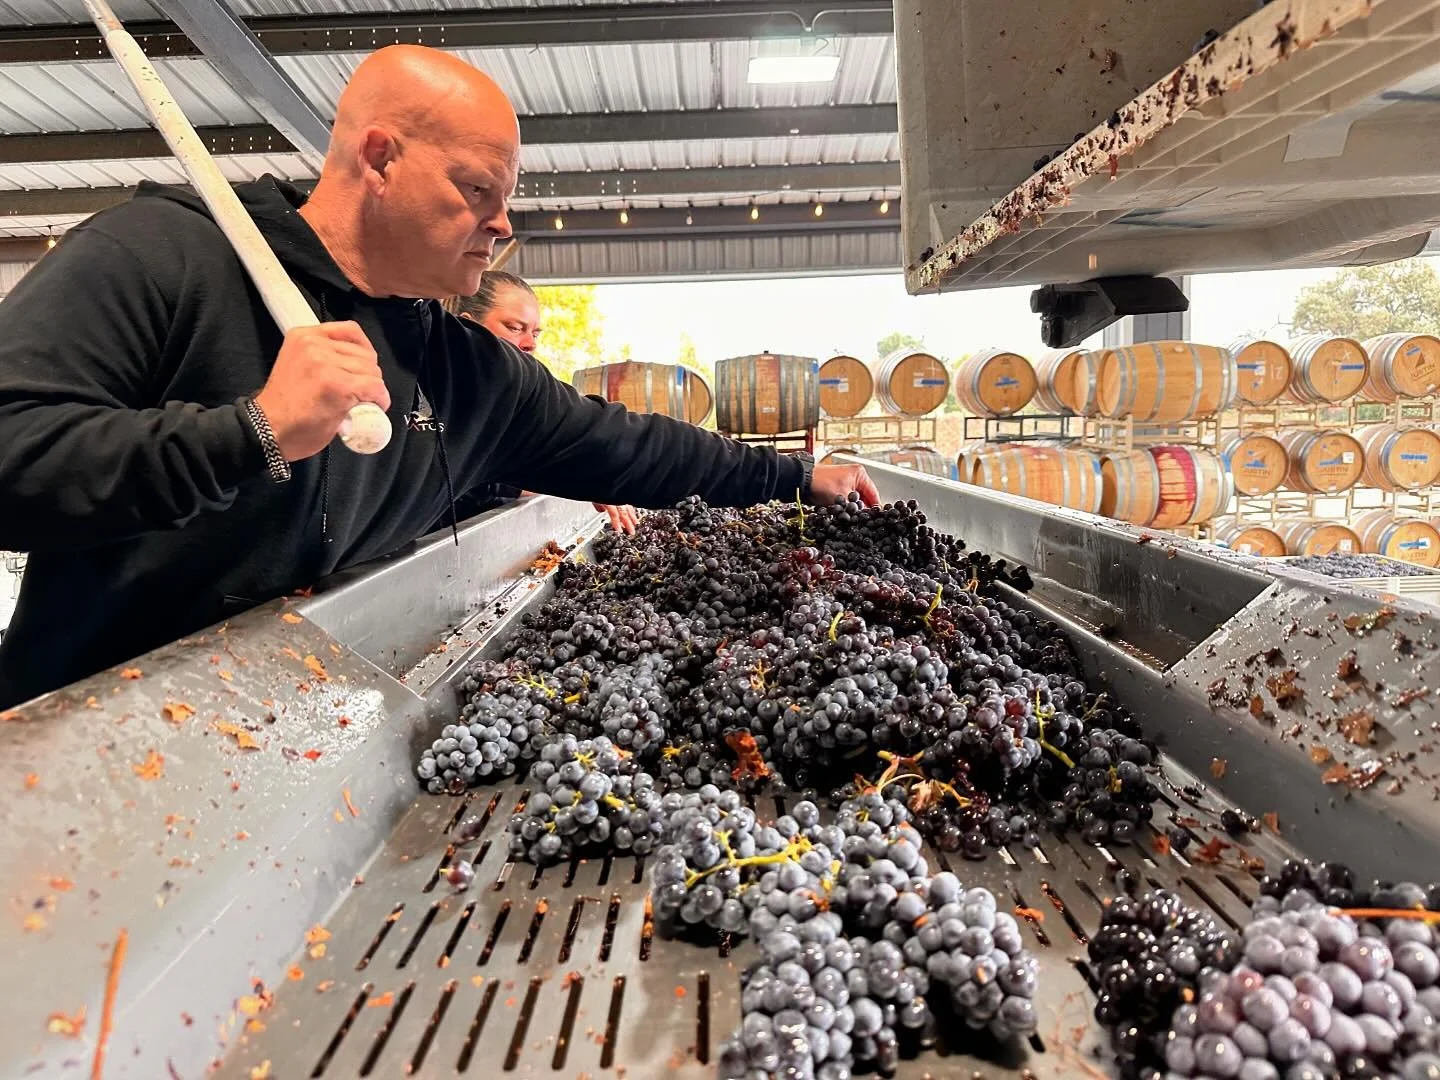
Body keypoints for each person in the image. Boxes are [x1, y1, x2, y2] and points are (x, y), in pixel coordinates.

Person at [0, 44, 876, 709]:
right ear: (379, 159)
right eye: (478, 191)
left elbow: (631, 447)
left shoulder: (464, 369)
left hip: (285, 733)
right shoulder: (165, 257)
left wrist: (798, 478)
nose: (503, 227)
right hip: (82, 744)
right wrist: (250, 434)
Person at [451, 271, 639, 534]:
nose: (530, 344)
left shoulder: (511, 401)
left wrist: (590, 477)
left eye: (536, 333)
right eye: (515, 328)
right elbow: (471, 484)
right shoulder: (439, 400)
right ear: (467, 327)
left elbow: (520, 468)